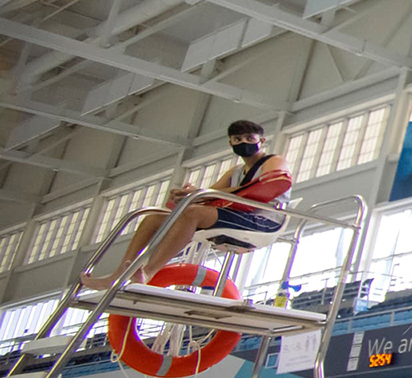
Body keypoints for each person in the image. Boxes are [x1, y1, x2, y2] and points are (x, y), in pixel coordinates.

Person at [83, 120, 293, 290]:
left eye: (249, 138)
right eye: (238, 139)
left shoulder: (273, 161)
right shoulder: (234, 172)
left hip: (263, 219)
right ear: (231, 143)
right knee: (153, 217)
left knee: (193, 213)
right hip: (235, 214)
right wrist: (185, 194)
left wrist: (201, 195)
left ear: (261, 140)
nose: (243, 142)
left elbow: (265, 189)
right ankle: (119, 273)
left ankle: (148, 272)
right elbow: (207, 196)